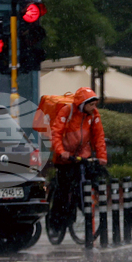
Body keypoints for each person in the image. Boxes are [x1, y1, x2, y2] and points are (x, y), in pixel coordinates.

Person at [48, 87, 107, 229]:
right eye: (91, 105)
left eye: (95, 105)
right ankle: (56, 221)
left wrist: (101, 157)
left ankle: (83, 208)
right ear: (82, 103)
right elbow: (56, 133)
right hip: (65, 158)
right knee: (63, 189)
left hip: (83, 156)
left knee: (86, 182)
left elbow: (99, 136)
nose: (94, 108)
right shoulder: (67, 111)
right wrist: (61, 151)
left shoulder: (93, 115)